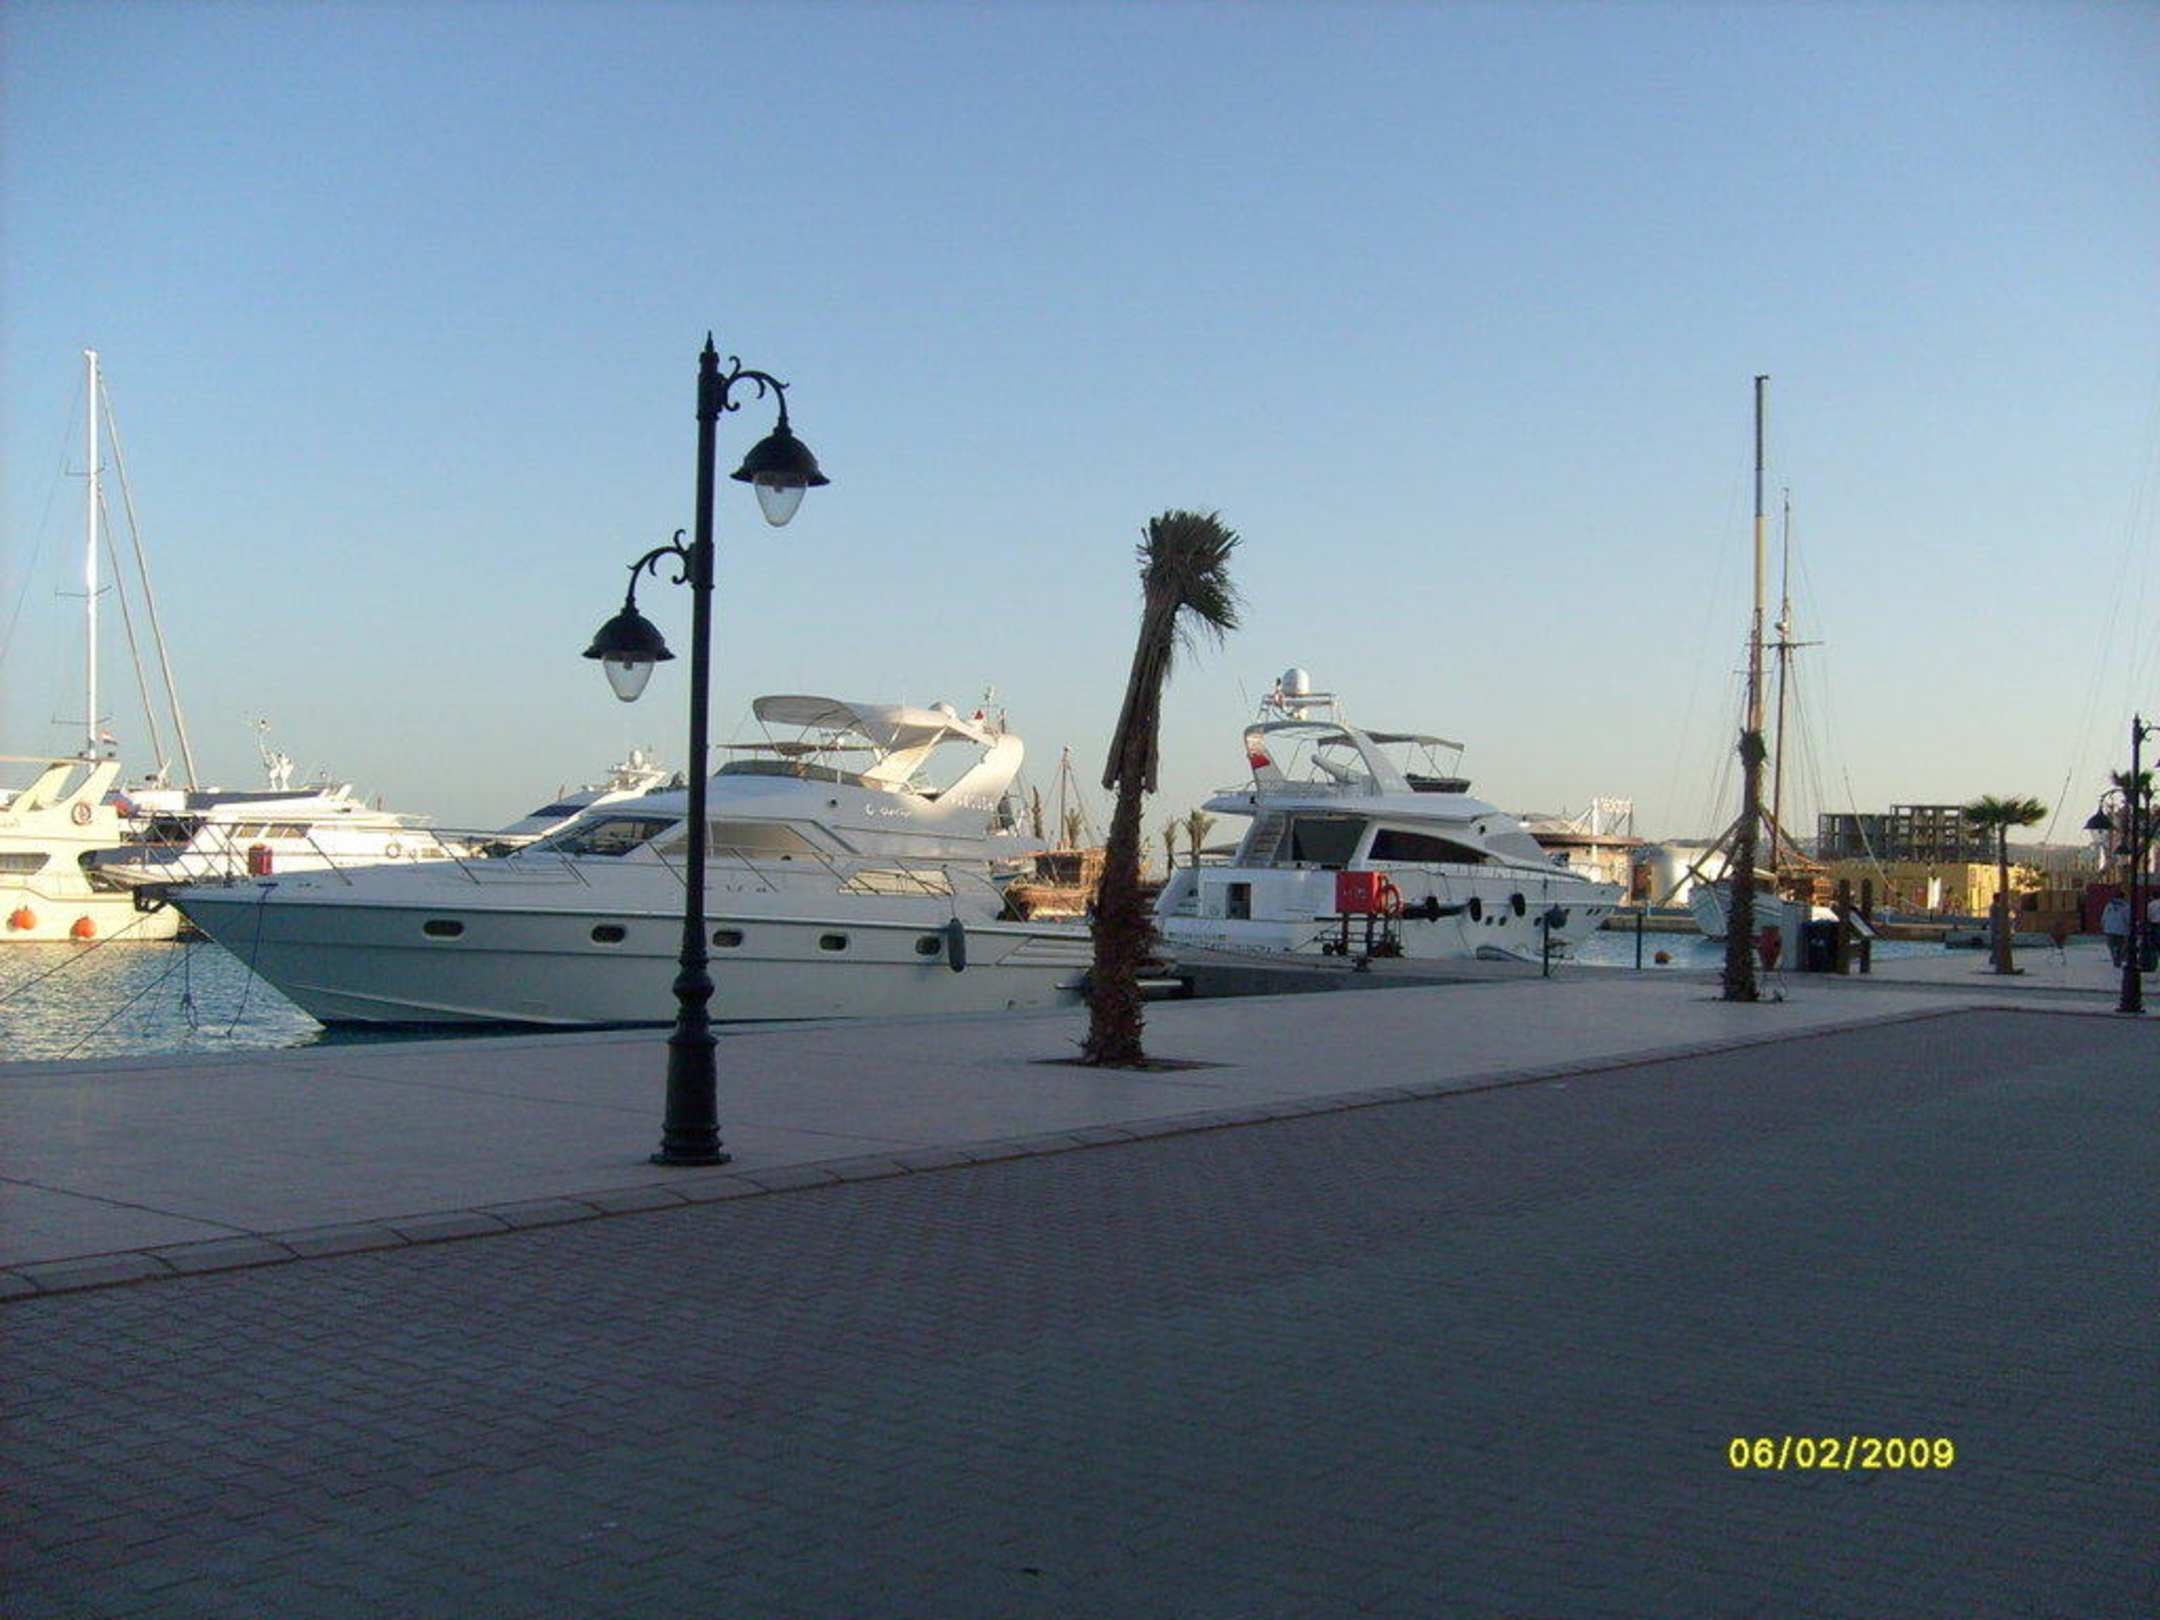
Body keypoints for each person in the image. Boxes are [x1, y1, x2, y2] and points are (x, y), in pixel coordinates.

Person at [2101, 894, 2129, 966]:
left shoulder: (2109, 905)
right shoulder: (2125, 906)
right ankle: (2119, 957)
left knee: (2112, 946)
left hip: (2109, 929)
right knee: (2120, 946)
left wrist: (2103, 925)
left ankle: (2115, 958)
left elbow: (2104, 917)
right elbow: (2128, 918)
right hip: (2121, 929)